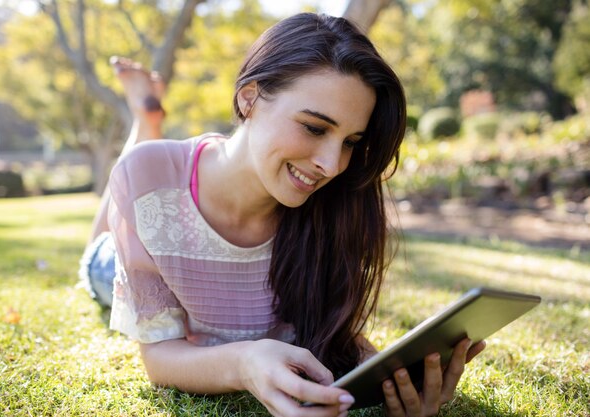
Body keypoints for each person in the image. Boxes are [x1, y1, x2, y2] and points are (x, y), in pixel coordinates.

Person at [79, 13, 486, 417]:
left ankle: (146, 119)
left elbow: (332, 334)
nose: (331, 165)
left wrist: (393, 376)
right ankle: (144, 121)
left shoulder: (334, 205)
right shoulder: (147, 173)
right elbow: (160, 356)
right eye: (314, 128)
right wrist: (243, 364)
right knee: (98, 256)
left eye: (350, 142)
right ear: (249, 97)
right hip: (122, 257)